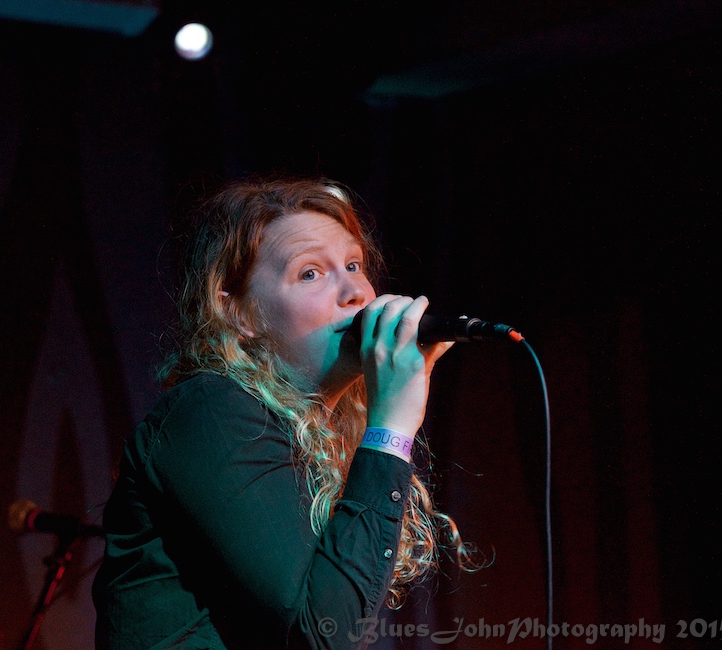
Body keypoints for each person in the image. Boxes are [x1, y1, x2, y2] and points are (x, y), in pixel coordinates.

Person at [92, 176, 479, 649]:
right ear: (241, 314)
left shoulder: (315, 435)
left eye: (354, 264)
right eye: (310, 273)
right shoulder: (211, 410)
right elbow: (320, 630)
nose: (355, 292)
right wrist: (392, 428)